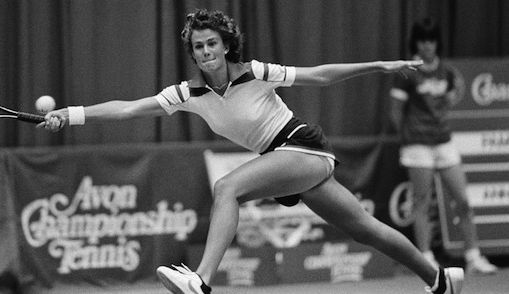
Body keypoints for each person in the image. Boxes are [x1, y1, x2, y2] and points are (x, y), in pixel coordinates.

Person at [39, 9, 464, 294]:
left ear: (225, 45)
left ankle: (201, 281)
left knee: (227, 187)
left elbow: (317, 76)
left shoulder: (255, 73)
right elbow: (128, 109)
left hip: (300, 146)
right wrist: (71, 115)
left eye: (212, 44)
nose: (206, 52)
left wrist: (377, 65)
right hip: (283, 160)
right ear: (193, 53)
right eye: (198, 47)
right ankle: (442, 280)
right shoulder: (188, 93)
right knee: (365, 229)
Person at [389, 17, 497, 275]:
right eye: (423, 41)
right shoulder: (408, 72)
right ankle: (426, 259)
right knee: (422, 203)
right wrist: (407, 139)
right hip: (417, 147)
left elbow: (447, 102)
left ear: (437, 43)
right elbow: (395, 113)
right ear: (416, 43)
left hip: (444, 143)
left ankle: (473, 257)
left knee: (463, 201)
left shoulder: (446, 72)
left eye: (432, 41)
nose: (428, 46)